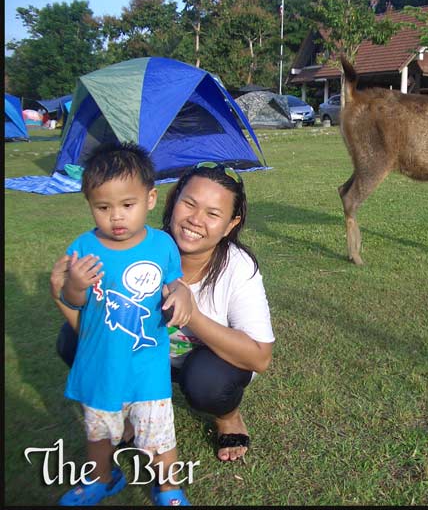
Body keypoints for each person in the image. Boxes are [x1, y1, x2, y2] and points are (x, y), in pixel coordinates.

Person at [52, 160, 274, 467]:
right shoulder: (140, 250)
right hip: (146, 357)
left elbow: (260, 358)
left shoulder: (238, 268)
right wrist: (62, 295)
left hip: (205, 364)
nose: (195, 220)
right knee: (71, 341)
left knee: (207, 380)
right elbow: (101, 330)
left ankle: (228, 417)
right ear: (172, 200)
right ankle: (128, 409)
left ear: (230, 225)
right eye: (189, 204)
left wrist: (192, 314)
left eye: (212, 214)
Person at [54, 143, 192, 506]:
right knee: (99, 432)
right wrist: (75, 284)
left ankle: (168, 487)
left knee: (159, 435)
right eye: (103, 207)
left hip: (147, 365)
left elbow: (174, 282)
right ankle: (101, 479)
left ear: (150, 199)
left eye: (127, 205)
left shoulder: (162, 245)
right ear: (90, 204)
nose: (116, 217)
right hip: (100, 364)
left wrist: (182, 294)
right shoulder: (84, 247)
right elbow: (73, 301)